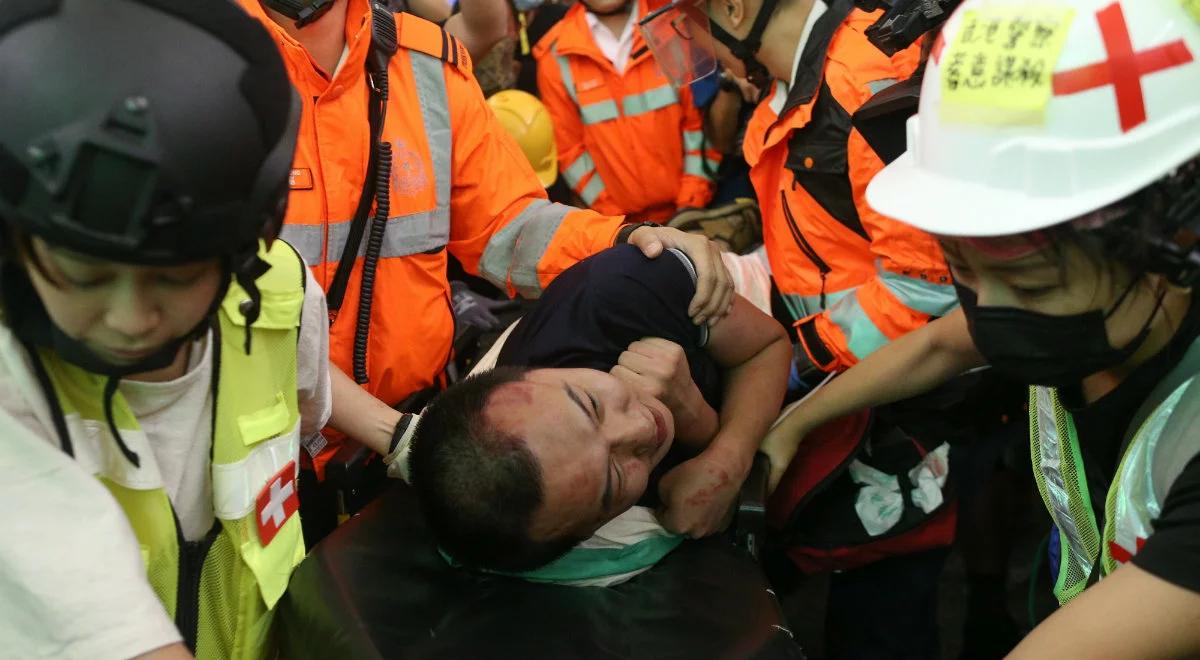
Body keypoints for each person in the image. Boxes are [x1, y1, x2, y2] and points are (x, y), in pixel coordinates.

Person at [764, 0, 1200, 655]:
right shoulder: (1097, 313)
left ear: (1177, 245)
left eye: (1028, 284)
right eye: (961, 266)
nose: (986, 310)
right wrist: (790, 427)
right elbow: (942, 342)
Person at [239, 0, 734, 543]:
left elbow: (506, 224)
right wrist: (398, 436)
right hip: (260, 452)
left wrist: (624, 237)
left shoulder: (425, 62)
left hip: (412, 447)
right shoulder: (202, 58)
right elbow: (216, 297)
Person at [0, 1, 327, 658]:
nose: (131, 318)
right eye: (83, 273)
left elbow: (308, 411)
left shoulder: (281, 299)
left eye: (176, 277)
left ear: (241, 251)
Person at [410, 244, 790, 572]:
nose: (642, 428)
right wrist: (696, 422)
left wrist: (727, 459)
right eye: (614, 478)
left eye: (590, 406)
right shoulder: (564, 524)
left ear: (525, 375)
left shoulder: (618, 290)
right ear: (592, 529)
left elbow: (768, 348)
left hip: (765, 295)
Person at [534, 0, 723, 220]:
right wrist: (618, 224)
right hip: (618, 229)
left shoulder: (674, 28)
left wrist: (689, 207)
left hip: (691, 214)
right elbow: (571, 153)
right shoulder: (555, 56)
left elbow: (699, 125)